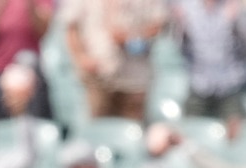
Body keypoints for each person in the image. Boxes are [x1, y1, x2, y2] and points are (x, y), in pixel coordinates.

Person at [61, 0, 167, 123]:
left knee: (132, 130)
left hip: (134, 78)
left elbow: (158, 25)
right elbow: (71, 27)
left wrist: (130, 38)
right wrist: (81, 58)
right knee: (98, 129)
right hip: (98, 76)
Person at [170, 0, 246, 140]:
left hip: (229, 86)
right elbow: (180, 48)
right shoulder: (188, 8)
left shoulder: (233, 7)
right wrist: (180, 26)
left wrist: (237, 22)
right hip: (200, 84)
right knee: (188, 134)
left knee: (237, 136)